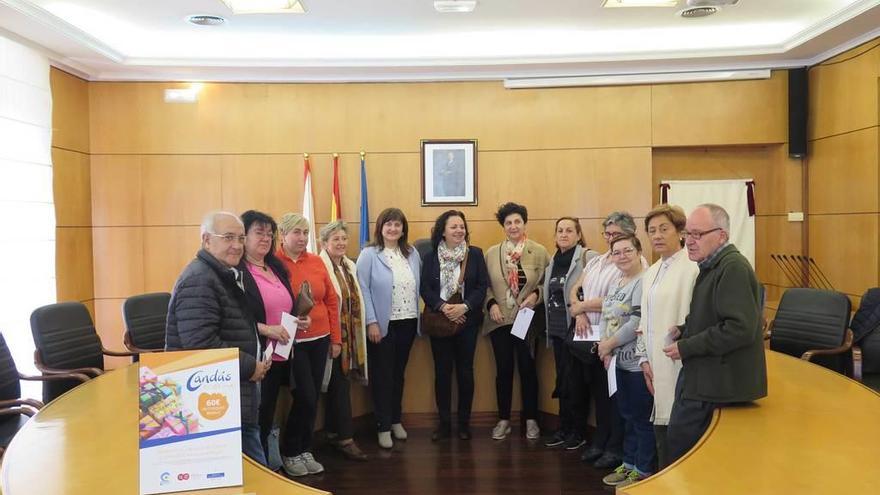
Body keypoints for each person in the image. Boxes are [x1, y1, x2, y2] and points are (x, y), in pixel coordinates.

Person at [165, 211, 271, 466]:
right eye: (227, 238)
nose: (237, 245)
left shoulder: (222, 272)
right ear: (206, 240)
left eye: (241, 238)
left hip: (230, 393)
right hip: (214, 400)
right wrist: (250, 367)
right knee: (252, 472)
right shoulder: (200, 280)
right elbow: (201, 346)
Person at [664, 204, 767, 463]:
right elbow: (715, 318)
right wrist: (684, 330)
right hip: (704, 375)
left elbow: (739, 329)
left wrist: (686, 347)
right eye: (687, 234)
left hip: (715, 383)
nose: (689, 241)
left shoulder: (732, 268)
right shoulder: (711, 265)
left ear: (721, 235)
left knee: (682, 454)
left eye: (697, 234)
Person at [569, 211, 647, 469]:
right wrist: (578, 311)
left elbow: (617, 307)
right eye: (608, 234)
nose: (611, 239)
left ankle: (618, 450)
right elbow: (575, 288)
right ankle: (602, 442)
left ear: (631, 236)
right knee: (601, 396)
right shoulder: (598, 260)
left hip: (621, 346)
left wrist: (582, 308)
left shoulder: (634, 265)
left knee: (620, 402)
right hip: (594, 338)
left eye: (616, 234)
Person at [275, 213, 342, 477]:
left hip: (321, 339)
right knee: (305, 396)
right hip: (293, 344)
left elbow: (331, 301)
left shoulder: (315, 261)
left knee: (313, 398)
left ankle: (305, 449)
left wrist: (336, 338)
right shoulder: (274, 264)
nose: (302, 238)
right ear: (283, 235)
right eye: (296, 233)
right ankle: (291, 451)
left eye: (305, 233)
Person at [237, 210, 302, 469]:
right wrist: (266, 329)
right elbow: (235, 317)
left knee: (268, 412)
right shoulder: (238, 271)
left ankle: (265, 464)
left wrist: (298, 318)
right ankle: (259, 469)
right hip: (254, 355)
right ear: (244, 236)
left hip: (279, 353)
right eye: (258, 232)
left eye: (268, 233)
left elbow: (285, 303)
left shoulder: (275, 266)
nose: (265, 238)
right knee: (257, 417)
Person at [635, 204, 698, 469]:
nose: (657, 235)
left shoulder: (693, 268)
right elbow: (644, 320)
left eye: (664, 229)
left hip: (679, 361)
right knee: (661, 422)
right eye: (652, 231)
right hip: (655, 362)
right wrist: (643, 360)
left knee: (679, 429)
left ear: (680, 232)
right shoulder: (651, 272)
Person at [420, 210, 489, 441]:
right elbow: (425, 289)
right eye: (454, 227)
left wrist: (464, 307)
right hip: (440, 322)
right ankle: (444, 424)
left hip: (467, 323)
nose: (459, 230)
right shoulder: (430, 256)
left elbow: (481, 286)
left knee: (466, 372)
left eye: (462, 226)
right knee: (442, 373)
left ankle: (464, 423)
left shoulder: (475, 254)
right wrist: (443, 307)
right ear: (443, 230)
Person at [356, 207, 422, 449]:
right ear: (380, 228)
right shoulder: (369, 254)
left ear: (403, 228)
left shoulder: (412, 253)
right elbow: (362, 289)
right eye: (389, 224)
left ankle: (395, 419)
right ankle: (382, 426)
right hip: (382, 325)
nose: (393, 229)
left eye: (397, 224)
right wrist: (371, 321)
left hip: (408, 321)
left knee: (398, 375)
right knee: (382, 376)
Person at [484, 202, 549, 441]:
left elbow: (547, 284)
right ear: (503, 226)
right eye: (508, 223)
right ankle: (504, 420)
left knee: (529, 370)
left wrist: (535, 295)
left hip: (528, 320)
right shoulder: (491, 253)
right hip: (500, 320)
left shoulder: (539, 251)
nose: (513, 226)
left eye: (517, 221)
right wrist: (491, 305)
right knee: (503, 371)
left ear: (524, 223)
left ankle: (531, 419)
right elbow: (484, 286)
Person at [595, 234, 651, 488]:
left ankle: (644, 470)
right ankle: (628, 464)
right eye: (616, 252)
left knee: (641, 418)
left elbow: (636, 321)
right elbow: (607, 314)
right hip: (616, 361)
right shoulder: (618, 281)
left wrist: (609, 344)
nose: (622, 256)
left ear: (639, 251)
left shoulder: (644, 281)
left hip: (637, 362)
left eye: (627, 250)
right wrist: (605, 349)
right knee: (626, 415)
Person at [543, 217, 596, 450]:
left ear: (578, 234)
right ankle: (564, 428)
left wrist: (582, 310)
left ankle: (578, 431)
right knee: (563, 382)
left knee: (576, 383)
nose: (563, 234)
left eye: (569, 230)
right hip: (556, 331)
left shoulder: (588, 257)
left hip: (578, 331)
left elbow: (599, 288)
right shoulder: (553, 262)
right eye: (560, 230)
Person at [318, 220, 369, 461]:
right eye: (335, 239)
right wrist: (333, 338)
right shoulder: (319, 266)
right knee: (338, 385)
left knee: (340, 384)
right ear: (324, 242)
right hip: (331, 337)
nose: (341, 243)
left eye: (344, 239)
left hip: (351, 338)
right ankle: (345, 439)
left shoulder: (349, 265)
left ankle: (331, 432)